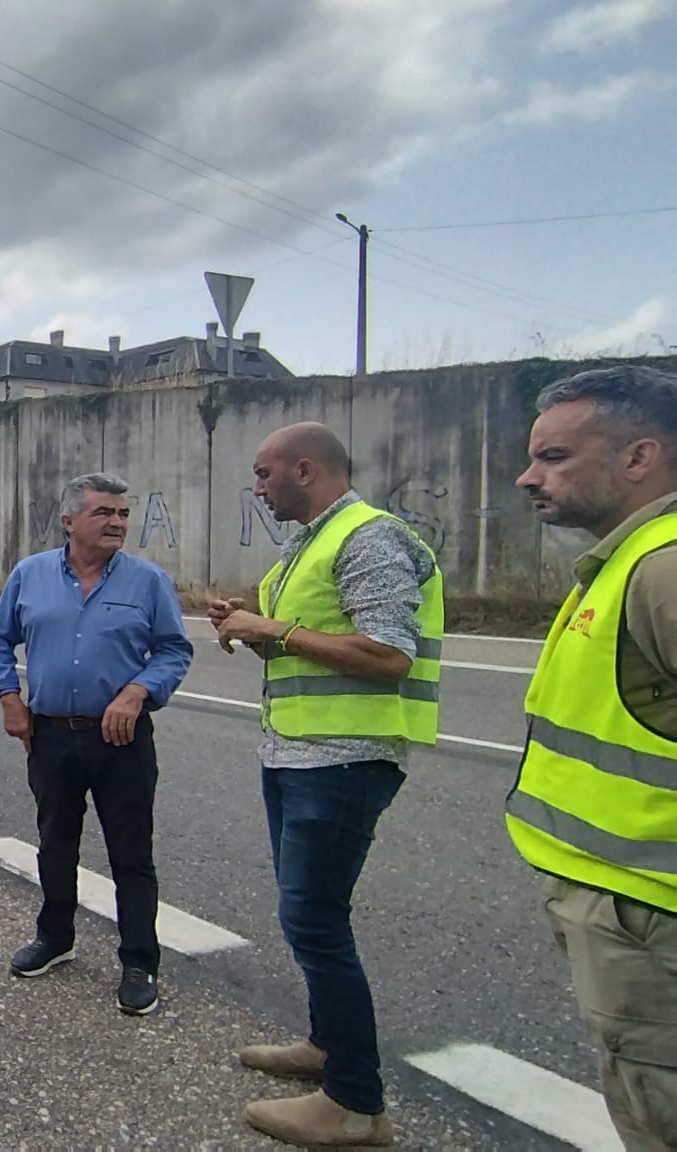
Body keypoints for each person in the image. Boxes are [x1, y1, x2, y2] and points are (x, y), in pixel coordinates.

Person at [209, 422, 442, 1148]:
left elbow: (387, 654)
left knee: (314, 921)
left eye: (263, 473)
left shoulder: (369, 538)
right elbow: (304, 651)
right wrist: (252, 631)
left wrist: (271, 629)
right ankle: (327, 1047)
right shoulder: (305, 543)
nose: (257, 487)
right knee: (308, 916)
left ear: (304, 470)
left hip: (345, 761)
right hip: (298, 753)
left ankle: (354, 1105)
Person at [510, 364, 677, 1151]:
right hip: (628, 907)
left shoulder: (664, 565)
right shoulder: (628, 559)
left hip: (652, 916)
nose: (526, 476)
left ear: (639, 457)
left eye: (554, 458)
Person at [0, 472, 192, 1016]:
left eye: (123, 514)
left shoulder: (147, 582)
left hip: (120, 738)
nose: (118, 523)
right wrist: (8, 696)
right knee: (55, 842)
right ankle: (55, 938)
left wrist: (139, 690)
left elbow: (174, 650)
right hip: (51, 735)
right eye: (104, 513)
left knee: (131, 854)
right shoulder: (30, 576)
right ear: (70, 520)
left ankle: (140, 962)